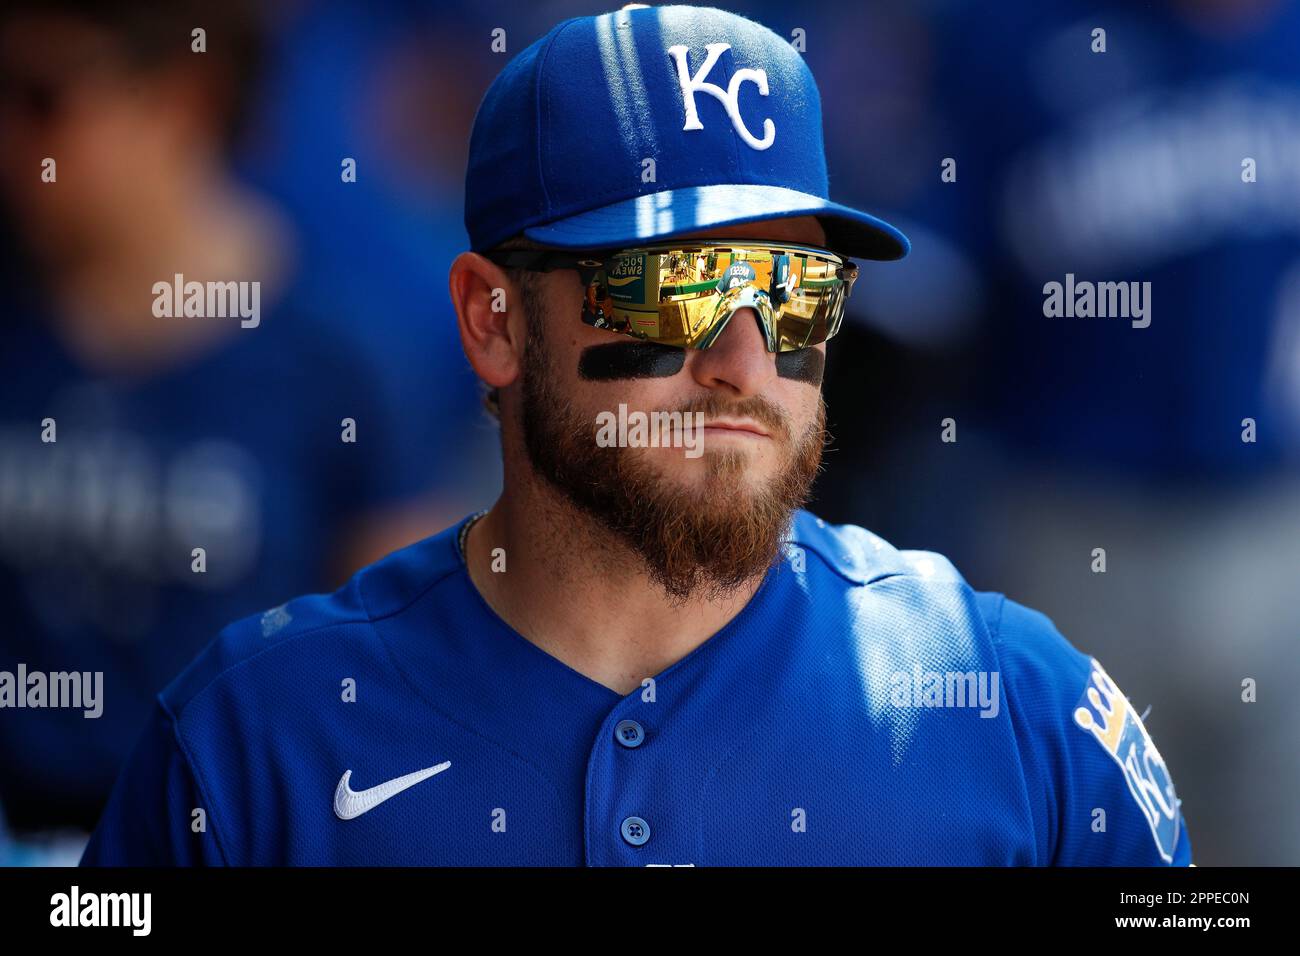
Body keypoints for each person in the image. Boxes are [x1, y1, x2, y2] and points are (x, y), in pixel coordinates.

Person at [82, 5, 1189, 866]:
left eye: (794, 290)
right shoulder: (255, 737)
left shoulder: (1016, 703)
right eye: (677, 286)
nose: (746, 362)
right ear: (494, 320)